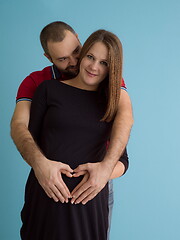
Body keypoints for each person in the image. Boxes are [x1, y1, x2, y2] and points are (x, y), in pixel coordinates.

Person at [10, 21, 133, 238]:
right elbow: (22, 129)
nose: (77, 62)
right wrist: (41, 165)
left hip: (92, 198)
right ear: (49, 58)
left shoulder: (109, 90)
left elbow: (125, 121)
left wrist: (103, 172)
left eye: (77, 51)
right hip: (47, 193)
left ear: (79, 39)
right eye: (63, 58)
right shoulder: (41, 84)